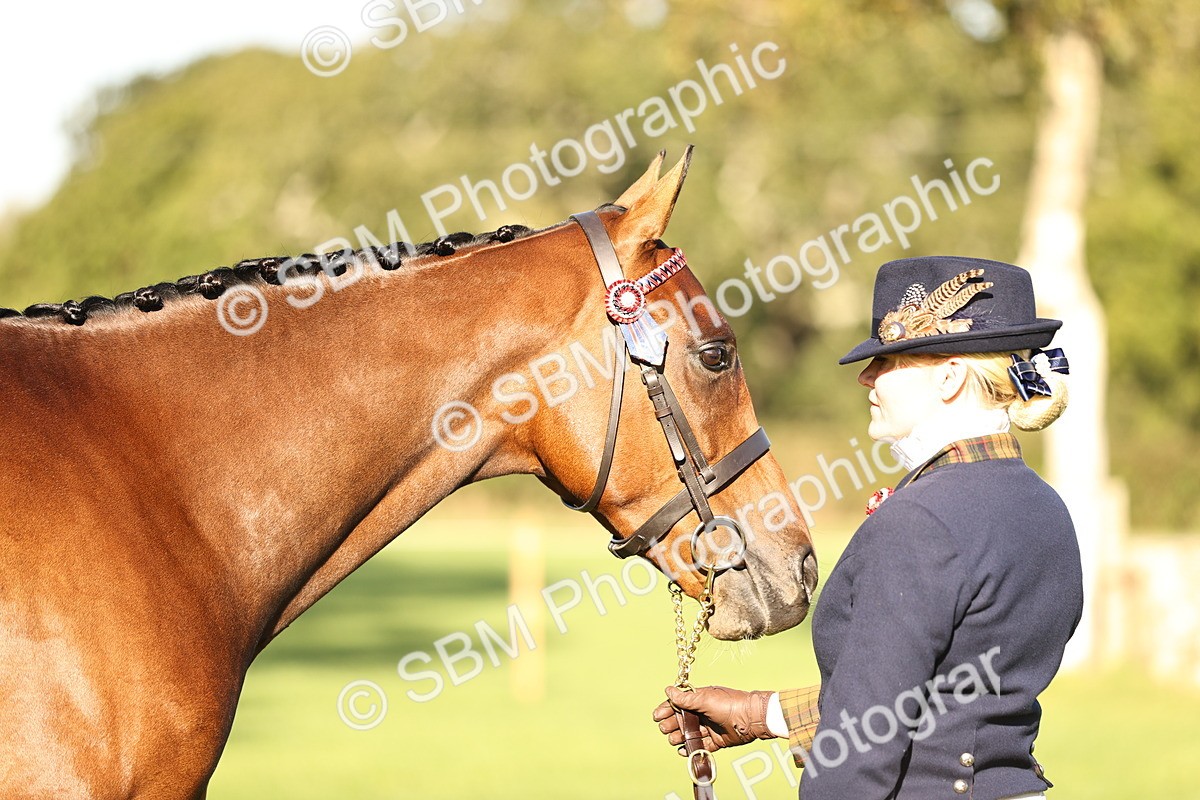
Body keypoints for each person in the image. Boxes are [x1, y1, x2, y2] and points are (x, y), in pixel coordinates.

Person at [653, 255, 1084, 800]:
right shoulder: (1046, 508)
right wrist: (759, 713)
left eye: (890, 362)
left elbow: (857, 760)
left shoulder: (920, 519)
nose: (866, 377)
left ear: (949, 376)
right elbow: (943, 695)